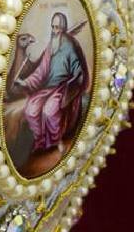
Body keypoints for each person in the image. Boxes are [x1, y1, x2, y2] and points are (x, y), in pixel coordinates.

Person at [13, 12, 89, 154]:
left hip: (62, 88)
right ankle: (40, 142)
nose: (54, 31)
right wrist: (25, 82)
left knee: (49, 111)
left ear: (63, 28)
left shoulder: (69, 47)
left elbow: (78, 71)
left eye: (57, 27)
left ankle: (55, 141)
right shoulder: (50, 47)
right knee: (31, 110)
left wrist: (72, 85)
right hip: (47, 88)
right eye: (53, 27)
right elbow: (41, 72)